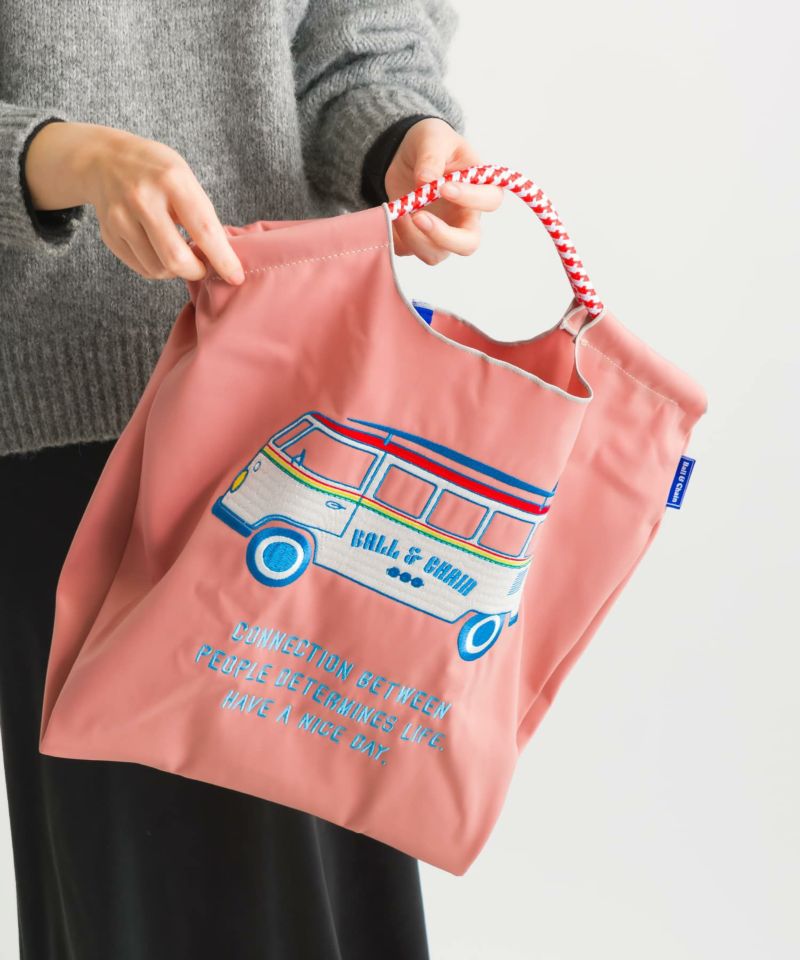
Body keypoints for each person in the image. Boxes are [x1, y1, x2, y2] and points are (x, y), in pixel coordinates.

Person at [0, 1, 503, 958]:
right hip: (67, 439)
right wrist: (64, 158)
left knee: (336, 899)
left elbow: (361, 39)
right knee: (134, 904)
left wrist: (399, 138)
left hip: (306, 411)